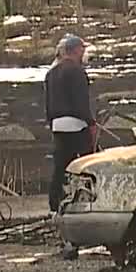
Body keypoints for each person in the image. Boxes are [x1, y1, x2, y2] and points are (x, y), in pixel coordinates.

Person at [45, 34, 96, 216]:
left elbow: (48, 103)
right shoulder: (77, 71)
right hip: (76, 123)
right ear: (75, 50)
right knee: (88, 162)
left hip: (58, 124)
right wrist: (91, 123)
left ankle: (54, 203)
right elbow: (81, 102)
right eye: (82, 49)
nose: (84, 52)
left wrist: (51, 123)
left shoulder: (51, 73)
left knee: (61, 165)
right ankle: (91, 200)